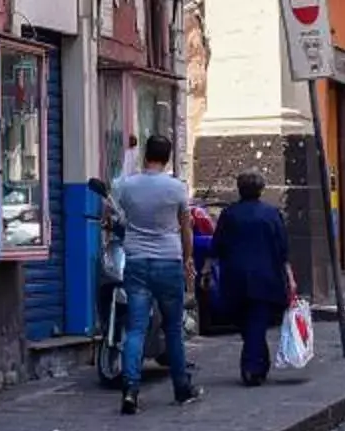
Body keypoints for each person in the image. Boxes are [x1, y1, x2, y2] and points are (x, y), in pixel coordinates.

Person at [110, 135, 197, 415]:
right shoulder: (177, 188)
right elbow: (186, 229)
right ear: (168, 157)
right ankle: (181, 387)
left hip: (136, 261)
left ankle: (131, 390)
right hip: (168, 262)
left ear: (147, 154)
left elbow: (112, 211)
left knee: (135, 328)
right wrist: (187, 260)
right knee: (172, 328)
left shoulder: (128, 185)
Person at [209, 172, 296, 386]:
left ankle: (255, 365)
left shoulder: (229, 214)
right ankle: (253, 367)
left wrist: (205, 271)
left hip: (235, 276)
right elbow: (282, 248)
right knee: (256, 323)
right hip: (265, 276)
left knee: (247, 323)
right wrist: (290, 276)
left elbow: (217, 244)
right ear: (261, 190)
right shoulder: (271, 214)